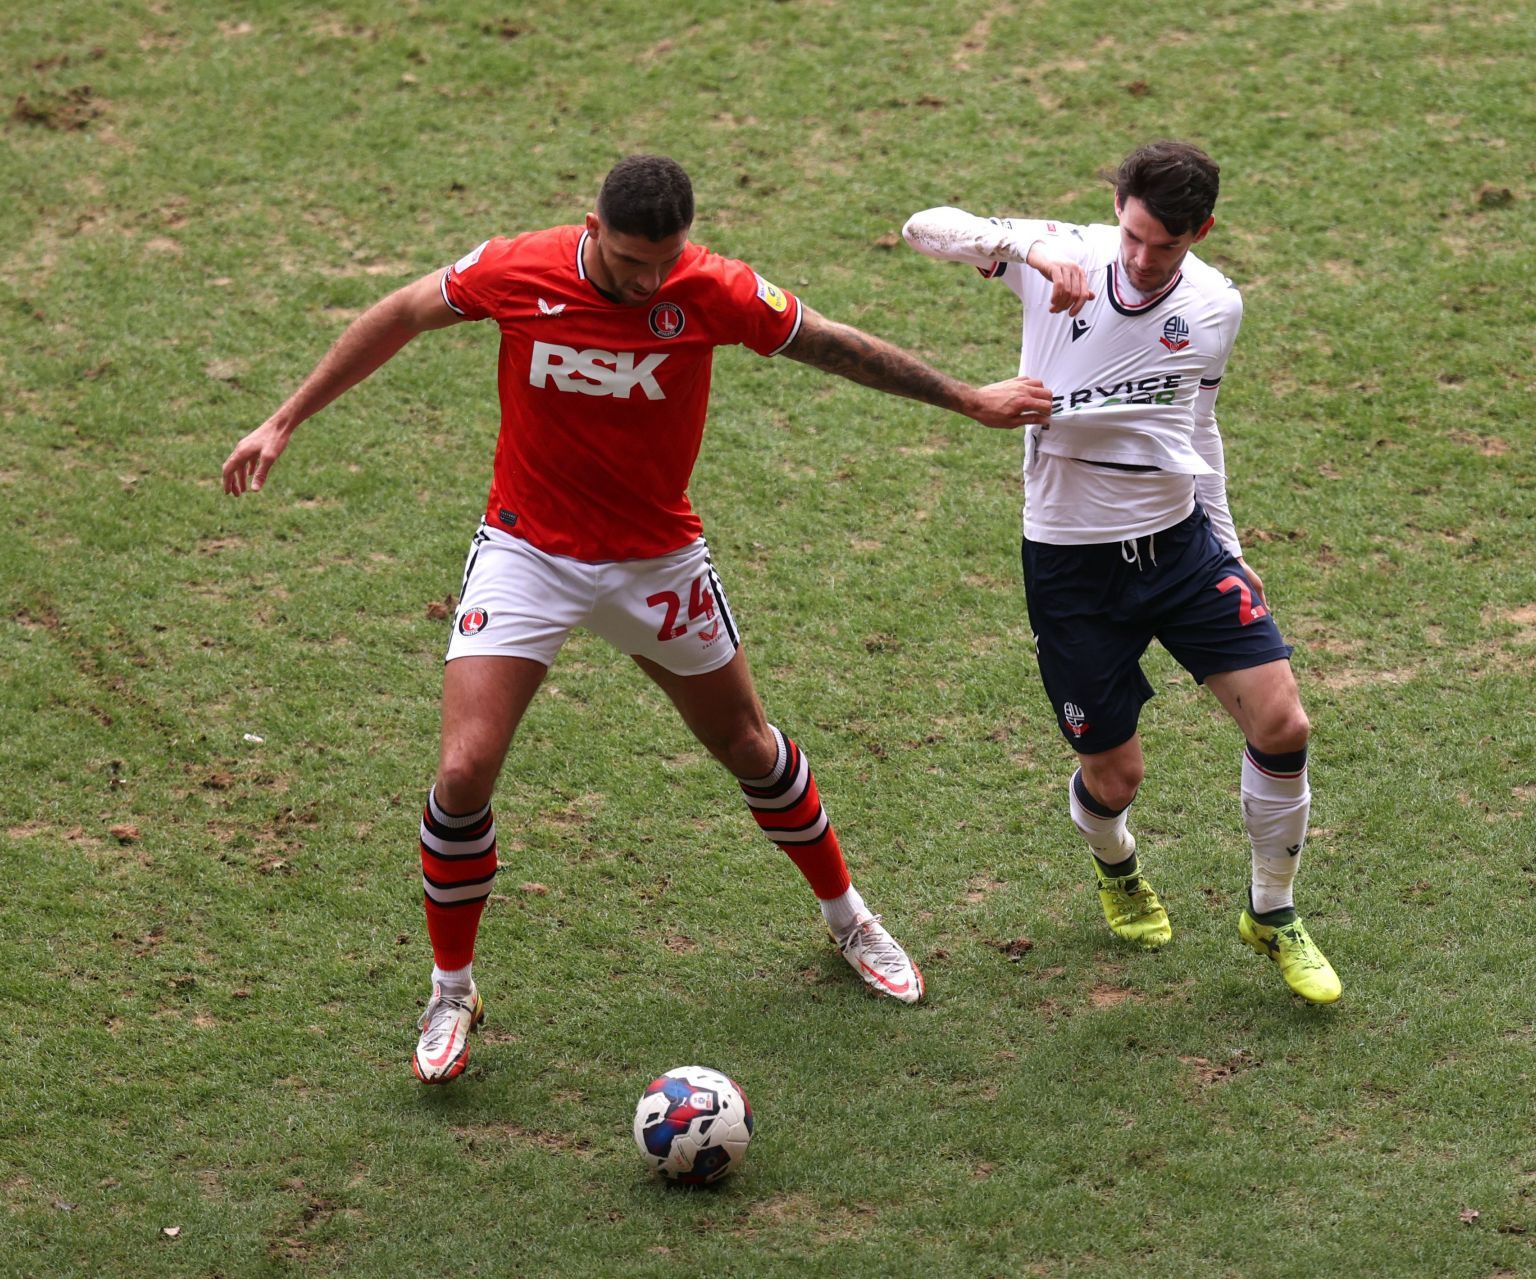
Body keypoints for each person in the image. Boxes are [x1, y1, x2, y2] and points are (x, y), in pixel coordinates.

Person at [223, 154, 1052, 1083]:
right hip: (527, 551)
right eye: (628, 262)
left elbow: (830, 342)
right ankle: (451, 987)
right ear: (592, 227)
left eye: (664, 261)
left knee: (748, 745)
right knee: (462, 770)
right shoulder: (517, 270)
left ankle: (849, 918)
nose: (648, 281)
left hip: (656, 560)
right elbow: (402, 313)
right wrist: (286, 418)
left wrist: (966, 397)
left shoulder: (711, 289)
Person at [901, 141, 1341, 1004]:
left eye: (1165, 247)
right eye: (1133, 237)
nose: (1141, 262)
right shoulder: (1059, 253)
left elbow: (1197, 427)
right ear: (1116, 209)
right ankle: (1118, 866)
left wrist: (1231, 547)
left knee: (1283, 724)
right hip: (1070, 564)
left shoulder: (1215, 306)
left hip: (1178, 546)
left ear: (1201, 233)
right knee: (1117, 779)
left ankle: (1273, 911)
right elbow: (923, 228)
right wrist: (1025, 249)